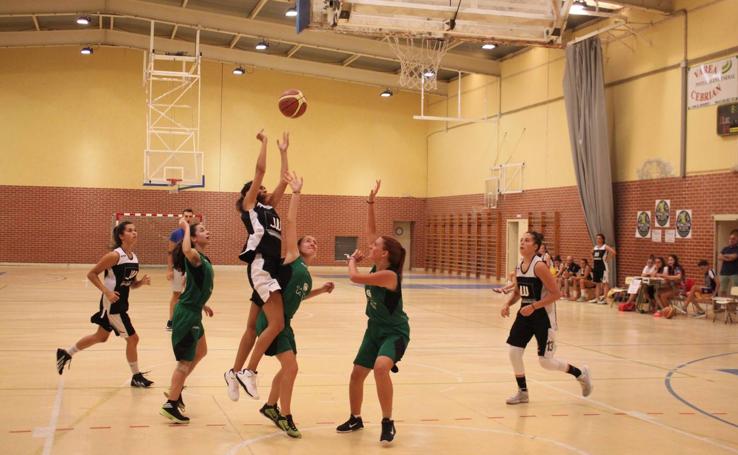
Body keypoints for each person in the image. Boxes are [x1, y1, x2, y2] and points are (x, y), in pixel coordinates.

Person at [255, 172, 335, 438]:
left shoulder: (306, 273)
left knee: (288, 367)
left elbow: (298, 296)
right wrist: (297, 193)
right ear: (298, 246)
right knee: (291, 368)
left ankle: (270, 406)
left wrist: (319, 291)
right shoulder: (292, 258)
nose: (313, 242)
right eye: (308, 240)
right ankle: (286, 416)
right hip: (272, 321)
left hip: (284, 323)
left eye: (315, 241)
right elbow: (290, 221)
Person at [336, 180, 409, 446]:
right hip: (374, 330)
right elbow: (371, 232)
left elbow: (354, 278)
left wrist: (352, 262)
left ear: (384, 253)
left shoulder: (389, 275)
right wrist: (370, 202)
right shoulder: (379, 264)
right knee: (357, 373)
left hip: (394, 332)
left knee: (380, 368)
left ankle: (387, 421)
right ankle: (356, 417)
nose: (370, 247)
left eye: (374, 246)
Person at [225, 130, 290, 401]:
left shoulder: (270, 207)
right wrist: (264, 144)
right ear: (248, 194)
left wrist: (284, 152)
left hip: (270, 268)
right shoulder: (250, 207)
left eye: (263, 189)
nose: (263, 190)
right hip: (261, 266)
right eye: (257, 188)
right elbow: (261, 171)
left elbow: (283, 182)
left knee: (253, 327)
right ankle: (249, 371)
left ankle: (233, 371)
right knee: (276, 323)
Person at [56, 221, 153, 388]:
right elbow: (92, 274)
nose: (134, 233)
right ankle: (136, 376)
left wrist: (141, 283)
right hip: (112, 305)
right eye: (130, 231)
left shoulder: (134, 257)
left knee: (100, 337)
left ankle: (66, 353)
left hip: (121, 302)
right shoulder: (114, 255)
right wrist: (106, 291)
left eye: (135, 230)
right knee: (133, 339)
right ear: (121, 235)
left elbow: (130, 283)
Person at [500, 231, 592, 405]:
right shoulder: (519, 266)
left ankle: (580, 374)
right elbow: (519, 292)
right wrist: (507, 304)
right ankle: (523, 392)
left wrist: (534, 306)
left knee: (546, 362)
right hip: (525, 314)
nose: (522, 243)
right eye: (521, 240)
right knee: (514, 351)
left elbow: (556, 293)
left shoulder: (539, 266)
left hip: (543, 316)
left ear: (535, 247)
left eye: (526, 240)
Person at [160, 217, 214, 424]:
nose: (207, 231)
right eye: (202, 229)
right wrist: (183, 228)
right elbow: (186, 251)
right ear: (192, 238)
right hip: (187, 315)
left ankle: (177, 388)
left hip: (194, 311)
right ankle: (171, 404)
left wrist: (202, 303)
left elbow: (194, 285)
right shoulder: (194, 256)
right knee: (184, 362)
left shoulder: (202, 258)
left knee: (202, 351)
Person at [166, 208, 196, 331]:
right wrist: (169, 269)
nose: (188, 218)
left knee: (191, 294)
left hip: (191, 268)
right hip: (178, 268)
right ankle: (171, 321)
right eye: (186, 216)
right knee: (176, 294)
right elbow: (170, 252)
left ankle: (188, 321)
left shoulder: (194, 233)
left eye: (190, 216)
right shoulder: (175, 233)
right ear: (182, 218)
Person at [589, 233, 616, 304]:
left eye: (599, 238)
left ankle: (605, 299)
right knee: (597, 283)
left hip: (603, 267)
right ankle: (597, 299)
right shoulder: (595, 247)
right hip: (596, 267)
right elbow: (590, 253)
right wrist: (593, 259)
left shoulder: (605, 246)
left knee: (605, 283)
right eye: (597, 238)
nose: (598, 239)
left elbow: (613, 252)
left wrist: (608, 258)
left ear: (602, 239)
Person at [718, 229, 738, 297]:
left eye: (733, 239)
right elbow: (719, 257)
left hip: (735, 273)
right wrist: (728, 257)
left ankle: (735, 306)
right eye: (730, 238)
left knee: (735, 291)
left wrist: (725, 255)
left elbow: (734, 257)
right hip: (724, 273)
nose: (731, 240)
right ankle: (723, 306)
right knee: (723, 290)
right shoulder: (725, 248)